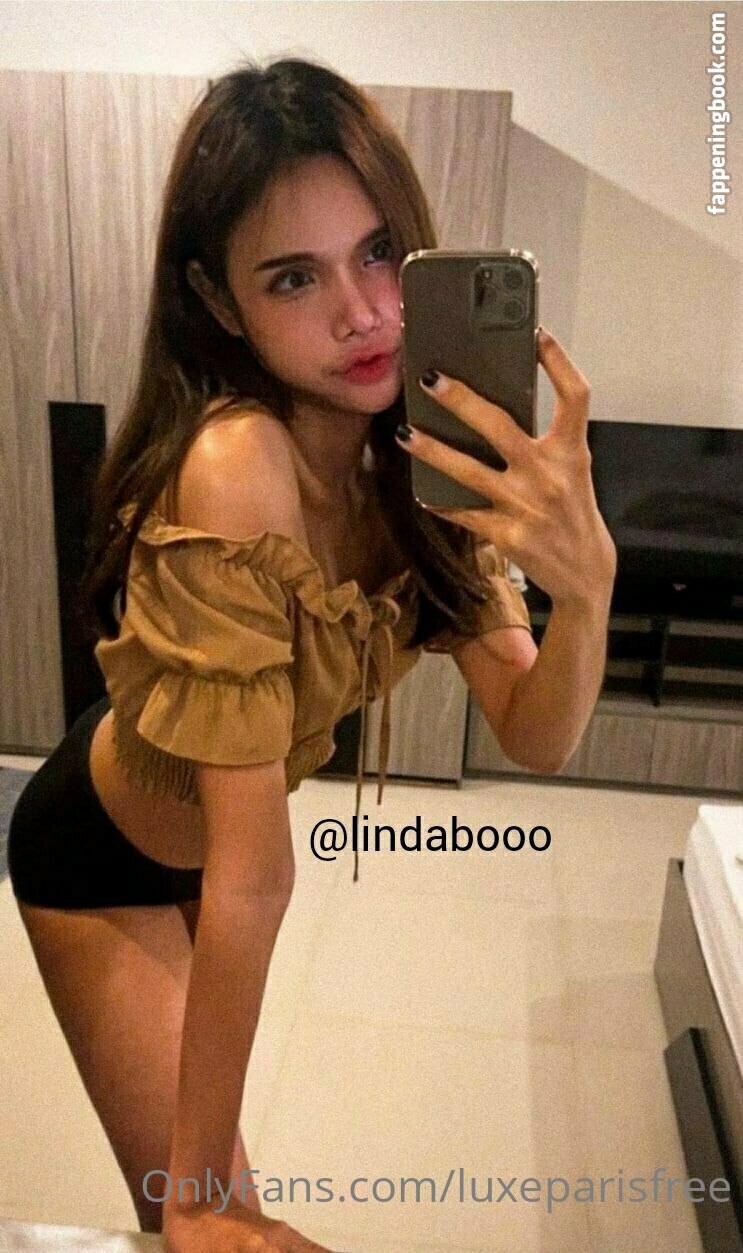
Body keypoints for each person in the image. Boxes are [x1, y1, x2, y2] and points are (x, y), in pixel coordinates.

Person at [7, 56, 616, 1253]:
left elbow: (534, 731)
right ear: (218, 300)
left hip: (209, 852)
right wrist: (195, 1198)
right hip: (100, 857)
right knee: (211, 1220)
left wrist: (587, 589)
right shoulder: (237, 465)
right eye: (295, 276)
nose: (364, 312)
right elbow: (256, 872)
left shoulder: (420, 460)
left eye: (380, 252)